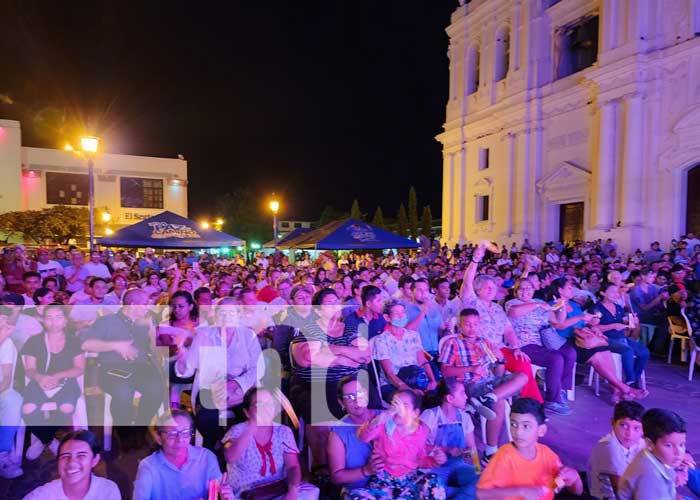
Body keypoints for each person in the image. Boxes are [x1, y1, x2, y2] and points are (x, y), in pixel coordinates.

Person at [174, 297, 262, 450]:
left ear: (238, 315)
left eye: (231, 313)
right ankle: (218, 448)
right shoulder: (203, 335)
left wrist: (235, 384)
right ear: (215, 315)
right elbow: (187, 370)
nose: (226, 317)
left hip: (241, 387)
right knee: (207, 417)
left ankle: (243, 449)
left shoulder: (248, 335)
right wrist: (182, 355)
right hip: (211, 388)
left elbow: (258, 367)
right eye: (222, 313)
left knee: (252, 414)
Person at [439, 308, 527, 462]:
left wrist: (500, 359)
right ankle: (490, 451)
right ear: (460, 325)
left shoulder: (485, 342)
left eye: (475, 324)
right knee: (499, 403)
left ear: (480, 325)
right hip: (469, 384)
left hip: (488, 382)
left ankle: (488, 398)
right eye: (467, 324)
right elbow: (445, 371)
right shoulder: (453, 343)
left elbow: (498, 373)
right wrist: (471, 368)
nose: (472, 328)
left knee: (522, 377)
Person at [460, 242, 542, 403]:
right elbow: (467, 283)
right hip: (481, 351)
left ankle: (530, 402)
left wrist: (517, 348)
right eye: (487, 288)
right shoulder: (472, 302)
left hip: (501, 349)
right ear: (478, 290)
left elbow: (509, 330)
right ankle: (513, 400)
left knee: (523, 361)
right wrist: (476, 259)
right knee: (503, 364)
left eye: (494, 287)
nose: (492, 290)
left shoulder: (498, 308)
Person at [80, 289, 166, 436]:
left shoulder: (145, 322)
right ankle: (124, 434)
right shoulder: (107, 321)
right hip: (112, 369)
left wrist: (154, 333)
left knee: (157, 389)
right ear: (133, 305)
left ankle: (140, 427)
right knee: (123, 393)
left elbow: (155, 349)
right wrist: (116, 345)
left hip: (141, 368)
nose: (148, 307)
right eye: (145, 304)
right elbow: (86, 344)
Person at [476, 397, 583, 500]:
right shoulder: (504, 457)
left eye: (526, 426)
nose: (518, 432)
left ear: (541, 430)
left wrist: (575, 479)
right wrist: (520, 491)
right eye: (513, 424)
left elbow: (576, 492)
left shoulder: (547, 454)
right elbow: (479, 494)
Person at [223, 387, 319, 499]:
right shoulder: (237, 431)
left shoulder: (283, 431)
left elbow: (292, 466)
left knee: (311, 491)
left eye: (269, 403)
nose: (266, 408)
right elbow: (230, 457)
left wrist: (293, 489)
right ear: (247, 412)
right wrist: (252, 426)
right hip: (248, 493)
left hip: (277, 490)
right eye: (259, 405)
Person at [348, 390, 447, 499]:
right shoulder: (383, 426)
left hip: (409, 481)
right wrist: (379, 419)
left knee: (434, 480)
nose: (398, 409)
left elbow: (419, 459)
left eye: (404, 405)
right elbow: (363, 437)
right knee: (353, 495)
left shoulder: (420, 432)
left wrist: (435, 461)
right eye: (395, 404)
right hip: (383, 481)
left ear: (415, 413)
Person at [21, 305, 85, 460]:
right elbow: (29, 369)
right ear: (42, 321)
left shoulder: (74, 341)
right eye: (49, 317)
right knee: (27, 409)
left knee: (66, 407)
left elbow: (79, 368)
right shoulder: (34, 341)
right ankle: (48, 440)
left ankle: (44, 439)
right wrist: (39, 377)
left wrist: (59, 375)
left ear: (65, 321)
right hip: (39, 381)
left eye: (58, 317)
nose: (54, 322)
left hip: (66, 382)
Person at [505, 278, 575, 415]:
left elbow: (557, 320)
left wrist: (561, 307)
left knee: (570, 353)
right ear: (516, 291)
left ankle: (560, 389)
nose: (525, 291)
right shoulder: (512, 303)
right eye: (521, 288)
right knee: (556, 358)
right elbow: (514, 313)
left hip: (540, 343)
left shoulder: (539, 302)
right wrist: (536, 305)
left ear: (533, 290)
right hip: (522, 345)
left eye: (528, 288)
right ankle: (552, 400)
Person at [133, 409, 234, 500]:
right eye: (172, 434)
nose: (180, 440)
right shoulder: (148, 466)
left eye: (185, 433)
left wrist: (224, 496)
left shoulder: (206, 457)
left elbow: (218, 491)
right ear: (159, 438)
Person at [420, 377, 479, 500]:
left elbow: (472, 449)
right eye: (462, 393)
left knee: (483, 480)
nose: (466, 397)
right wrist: (444, 449)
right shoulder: (430, 415)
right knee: (431, 488)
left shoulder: (465, 418)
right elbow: (416, 445)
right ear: (449, 398)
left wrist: (477, 469)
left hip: (458, 465)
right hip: (434, 467)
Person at [21, 430, 121, 500]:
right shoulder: (42, 496)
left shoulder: (108, 490)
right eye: (65, 456)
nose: (72, 462)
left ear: (94, 460)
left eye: (81, 455)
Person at [327, 376, 383, 495]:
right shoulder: (337, 433)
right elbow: (336, 477)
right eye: (349, 397)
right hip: (360, 490)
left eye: (359, 394)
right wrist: (366, 471)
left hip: (392, 482)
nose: (356, 401)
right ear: (341, 402)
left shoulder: (385, 417)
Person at [373, 299, 437, 402]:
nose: (401, 316)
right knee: (408, 401)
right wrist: (408, 390)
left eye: (403, 312)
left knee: (434, 398)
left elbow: (422, 361)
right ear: (387, 317)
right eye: (397, 313)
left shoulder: (413, 335)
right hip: (393, 384)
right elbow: (389, 372)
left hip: (416, 379)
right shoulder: (381, 340)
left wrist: (432, 380)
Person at [618, 409, 687, 500]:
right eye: (668, 445)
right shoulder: (651, 477)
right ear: (649, 443)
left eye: (681, 445)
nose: (678, 452)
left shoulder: (650, 456)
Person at [593, 283, 650, 387]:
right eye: (612, 292)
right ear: (602, 293)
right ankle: (630, 381)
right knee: (628, 350)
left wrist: (631, 320)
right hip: (606, 339)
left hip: (621, 337)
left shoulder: (618, 307)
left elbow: (624, 321)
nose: (616, 294)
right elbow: (594, 327)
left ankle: (634, 378)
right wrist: (612, 326)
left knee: (644, 352)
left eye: (617, 292)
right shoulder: (597, 308)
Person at [588, 401, 646, 500]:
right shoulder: (609, 448)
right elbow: (621, 493)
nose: (629, 433)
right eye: (623, 425)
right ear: (613, 423)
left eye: (636, 428)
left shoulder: (639, 442)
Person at [0, 305, 22, 478]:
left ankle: (3, 453)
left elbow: (7, 377)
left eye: (4, 321)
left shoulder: (7, 343)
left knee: (14, 400)